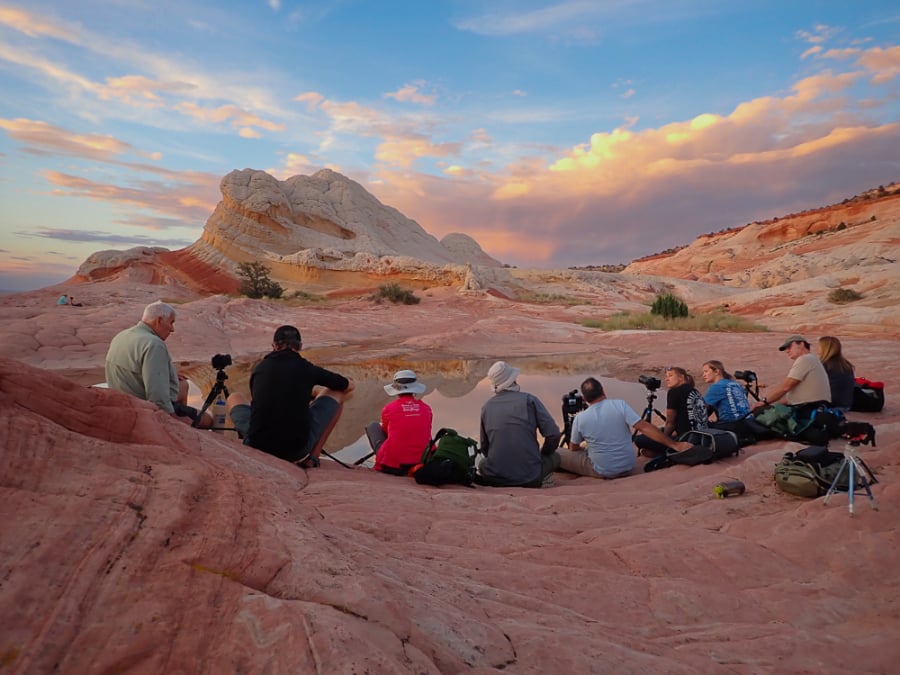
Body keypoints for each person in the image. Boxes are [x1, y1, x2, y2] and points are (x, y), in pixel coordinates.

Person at [227, 325, 354, 468]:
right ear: (299, 346)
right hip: (295, 451)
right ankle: (313, 457)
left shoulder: (260, 368)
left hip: (257, 444)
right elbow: (347, 386)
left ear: (274, 345)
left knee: (234, 397)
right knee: (338, 392)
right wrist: (314, 393)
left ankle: (246, 447)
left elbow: (259, 401)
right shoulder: (307, 368)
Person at [557, 377, 693, 479]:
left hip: (604, 471)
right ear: (603, 391)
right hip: (628, 466)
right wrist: (675, 444)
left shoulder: (581, 418)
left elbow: (573, 448)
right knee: (590, 448)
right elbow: (644, 427)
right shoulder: (620, 405)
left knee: (557, 452)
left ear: (584, 399)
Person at [105, 300, 211, 427]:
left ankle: (182, 414)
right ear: (159, 320)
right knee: (208, 419)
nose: (172, 329)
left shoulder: (123, 335)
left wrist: (168, 375)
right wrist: (171, 420)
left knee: (183, 385)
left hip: (122, 398)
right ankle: (188, 429)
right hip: (143, 407)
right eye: (171, 323)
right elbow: (157, 395)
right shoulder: (154, 344)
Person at [476, 361, 561, 488]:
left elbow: (485, 447)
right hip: (531, 477)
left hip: (496, 477)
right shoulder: (530, 400)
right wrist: (544, 453)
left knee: (482, 463)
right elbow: (553, 434)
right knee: (556, 457)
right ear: (513, 380)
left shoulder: (486, 407)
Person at [366, 370, 433, 475]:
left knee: (373, 426)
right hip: (423, 462)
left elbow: (386, 432)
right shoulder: (426, 408)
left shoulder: (389, 408)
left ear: (396, 388)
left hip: (394, 466)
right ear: (414, 388)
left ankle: (387, 459)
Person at [634, 366, 708, 456]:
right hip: (702, 436)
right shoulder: (694, 391)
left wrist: (663, 439)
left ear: (681, 377)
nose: (667, 379)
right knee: (659, 432)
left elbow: (670, 423)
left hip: (686, 439)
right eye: (666, 376)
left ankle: (664, 451)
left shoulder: (674, 392)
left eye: (670, 376)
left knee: (640, 440)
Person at [752, 335, 830, 409]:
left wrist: (763, 402)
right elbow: (790, 397)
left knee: (759, 413)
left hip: (807, 409)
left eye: (789, 347)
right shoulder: (812, 359)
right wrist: (771, 404)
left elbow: (786, 387)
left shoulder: (805, 359)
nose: (787, 351)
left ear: (802, 344)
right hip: (815, 407)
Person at [818, 336, 855, 411]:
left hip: (831, 406)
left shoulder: (825, 365)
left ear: (826, 349)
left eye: (819, 346)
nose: (818, 349)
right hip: (846, 405)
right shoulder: (846, 364)